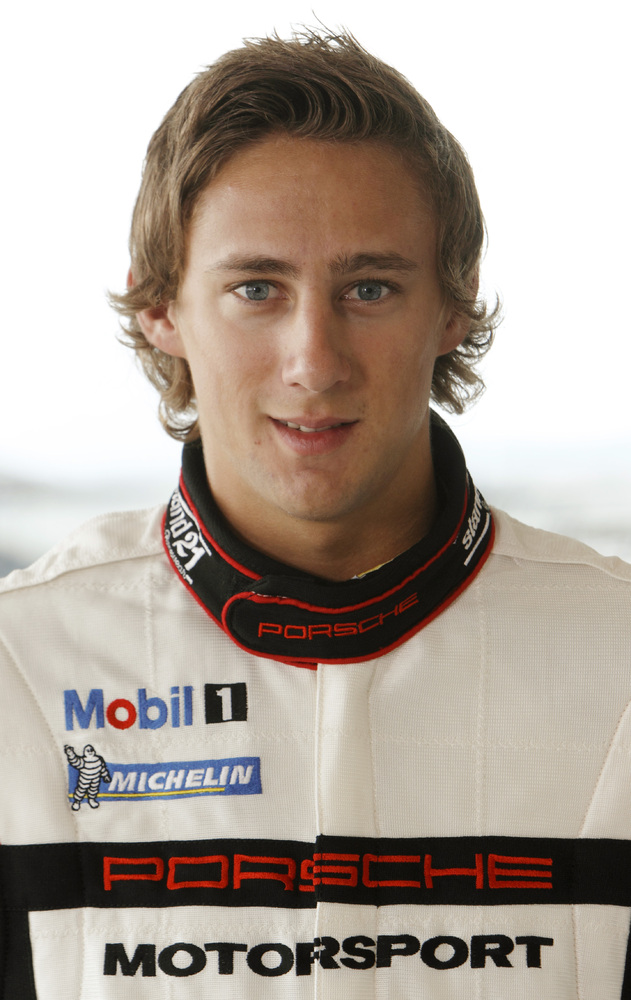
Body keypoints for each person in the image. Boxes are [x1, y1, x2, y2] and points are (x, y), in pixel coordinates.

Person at [1, 27, 630, 1000]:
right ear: (161, 308)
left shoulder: (617, 658)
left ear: (453, 305)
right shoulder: (21, 669)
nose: (314, 361)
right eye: (256, 288)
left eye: (368, 288)